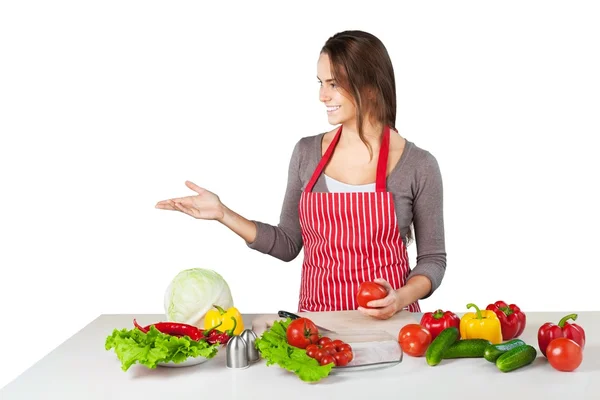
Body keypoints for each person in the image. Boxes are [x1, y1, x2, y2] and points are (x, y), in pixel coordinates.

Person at [155, 30, 446, 320]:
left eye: (333, 84)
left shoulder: (419, 165)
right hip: (317, 326)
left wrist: (400, 298)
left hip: (394, 325)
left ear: (370, 86)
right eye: (321, 83)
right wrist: (223, 213)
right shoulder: (307, 153)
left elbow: (433, 260)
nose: (322, 95)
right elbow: (287, 243)